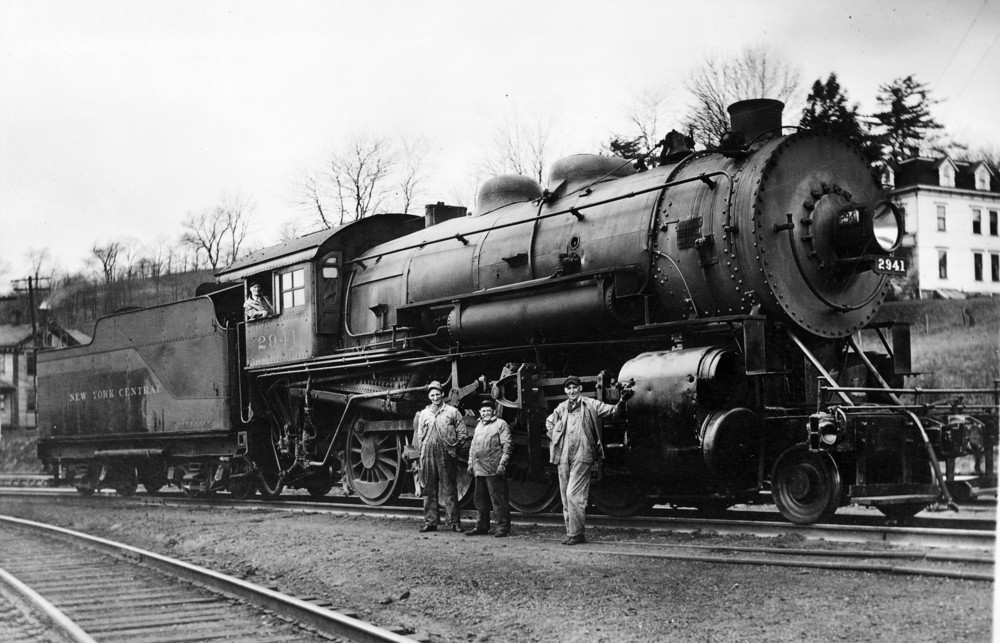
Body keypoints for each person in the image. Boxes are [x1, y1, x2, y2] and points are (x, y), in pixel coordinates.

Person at [545, 375, 632, 545]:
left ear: (580, 388)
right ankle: (571, 533)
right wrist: (556, 437)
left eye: (574, 388)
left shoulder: (590, 404)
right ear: (565, 390)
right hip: (563, 455)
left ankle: (577, 533)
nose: (572, 391)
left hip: (582, 454)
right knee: (565, 497)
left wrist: (622, 400)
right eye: (569, 388)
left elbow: (613, 411)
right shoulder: (562, 407)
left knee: (573, 494)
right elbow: (549, 423)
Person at [414, 380, 468, 532]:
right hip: (428, 455)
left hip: (447, 453)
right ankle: (430, 522)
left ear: (443, 394)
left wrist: (454, 448)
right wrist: (422, 451)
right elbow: (420, 435)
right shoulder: (424, 414)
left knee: (450, 488)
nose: (435, 397)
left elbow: (462, 433)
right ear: (429, 397)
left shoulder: (452, 411)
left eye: (438, 394)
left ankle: (454, 522)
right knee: (428, 489)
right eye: (432, 395)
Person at [466, 399, 512, 537]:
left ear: (493, 411)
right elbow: (473, 446)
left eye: (488, 410)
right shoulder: (479, 425)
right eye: (483, 411)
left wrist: (502, 464)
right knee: (480, 500)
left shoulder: (501, 424)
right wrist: (470, 463)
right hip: (479, 468)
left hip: (493, 469)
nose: (485, 413)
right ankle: (481, 526)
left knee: (498, 499)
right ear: (480, 412)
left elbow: (507, 446)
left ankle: (502, 527)